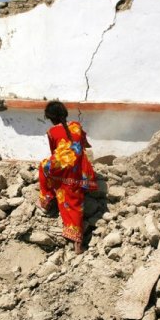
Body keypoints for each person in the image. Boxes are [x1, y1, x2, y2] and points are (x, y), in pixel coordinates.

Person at [38, 101, 98, 254]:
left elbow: (54, 153)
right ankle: (78, 242)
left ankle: (47, 199)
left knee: (44, 166)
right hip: (80, 172)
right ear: (65, 113)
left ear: (50, 118)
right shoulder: (76, 125)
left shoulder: (52, 132)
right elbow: (85, 144)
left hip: (63, 169)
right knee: (75, 202)